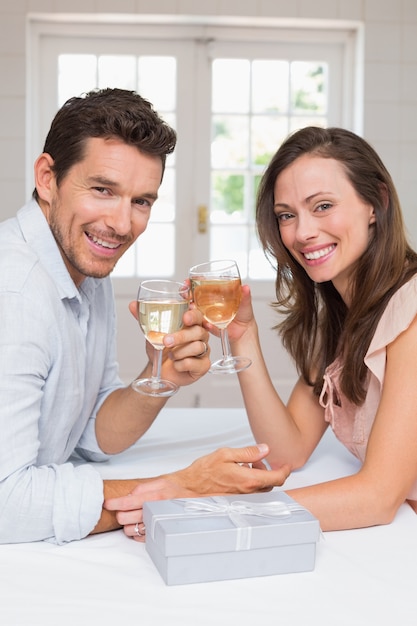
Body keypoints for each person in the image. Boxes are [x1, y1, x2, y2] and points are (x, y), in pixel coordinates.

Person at [0, 88, 290, 545]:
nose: (121, 224)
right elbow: (7, 504)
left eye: (142, 201)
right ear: (46, 178)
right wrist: (177, 490)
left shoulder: (82, 269)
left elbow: (93, 434)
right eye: (102, 190)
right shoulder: (13, 294)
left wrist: (164, 375)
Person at [224, 125, 417, 531]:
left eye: (323, 206)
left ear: (375, 203)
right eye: (287, 215)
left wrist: (218, 514)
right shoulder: (347, 314)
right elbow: (286, 452)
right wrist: (242, 336)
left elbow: (377, 498)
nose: (302, 232)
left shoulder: (411, 311)